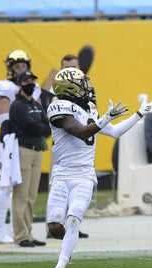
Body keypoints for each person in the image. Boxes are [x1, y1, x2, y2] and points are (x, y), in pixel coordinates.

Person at [43, 67, 152, 268]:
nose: (87, 88)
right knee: (54, 226)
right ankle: (70, 242)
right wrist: (106, 118)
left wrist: (139, 114)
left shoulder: (88, 107)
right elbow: (80, 131)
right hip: (62, 174)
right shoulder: (57, 107)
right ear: (70, 89)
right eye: (82, 85)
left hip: (84, 175)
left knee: (73, 219)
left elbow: (115, 132)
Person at [0, 49, 42, 244]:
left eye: (23, 66)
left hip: (27, 140)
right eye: (17, 66)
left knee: (22, 189)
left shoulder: (34, 87)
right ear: (11, 69)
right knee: (6, 186)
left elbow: (39, 114)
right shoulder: (3, 87)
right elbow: (4, 118)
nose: (20, 69)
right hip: (11, 139)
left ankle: (18, 230)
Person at [46, 53, 90, 239]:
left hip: (80, 148)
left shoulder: (83, 85)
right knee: (58, 190)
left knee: (79, 193)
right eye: (67, 68)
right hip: (63, 145)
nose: (73, 70)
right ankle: (53, 226)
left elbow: (88, 116)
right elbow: (47, 108)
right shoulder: (53, 85)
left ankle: (73, 227)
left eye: (75, 67)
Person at [9, 70, 51, 247]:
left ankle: (29, 234)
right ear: (19, 84)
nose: (31, 83)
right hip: (23, 150)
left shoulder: (35, 103)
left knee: (31, 196)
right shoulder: (17, 105)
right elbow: (32, 126)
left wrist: (40, 128)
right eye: (27, 81)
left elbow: (47, 126)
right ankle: (21, 236)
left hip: (36, 151)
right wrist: (40, 128)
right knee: (21, 195)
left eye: (33, 80)